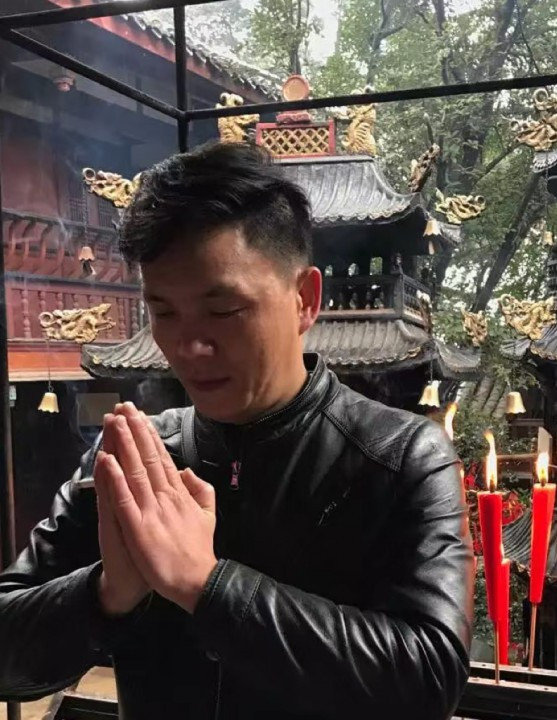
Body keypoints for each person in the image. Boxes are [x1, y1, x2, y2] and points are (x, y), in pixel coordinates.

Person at [0, 142, 474, 720]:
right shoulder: (134, 461)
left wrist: (207, 585)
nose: (188, 347)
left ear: (304, 300)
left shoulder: (399, 458)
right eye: (163, 312)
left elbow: (428, 679)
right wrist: (108, 593)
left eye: (223, 310)